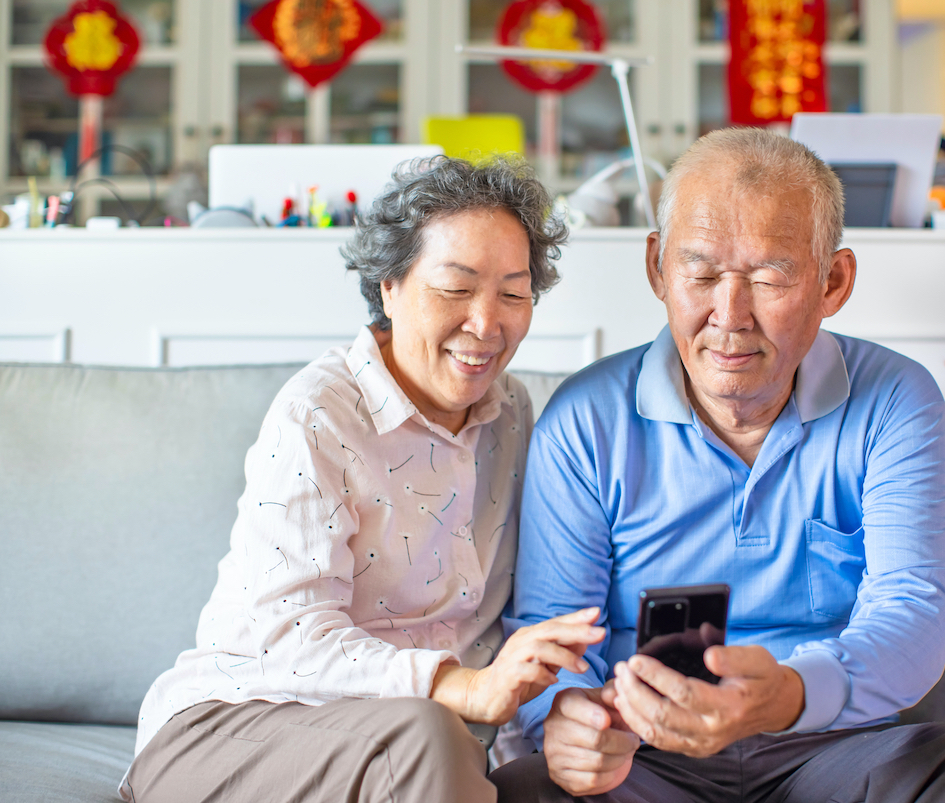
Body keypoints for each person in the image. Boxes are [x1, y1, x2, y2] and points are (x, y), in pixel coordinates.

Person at [490, 129, 945, 802]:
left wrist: (791, 694)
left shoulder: (895, 401)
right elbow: (552, 631)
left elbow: (911, 609)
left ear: (832, 281)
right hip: (644, 761)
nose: (729, 316)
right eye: (701, 274)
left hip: (835, 746)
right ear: (657, 269)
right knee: (523, 789)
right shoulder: (587, 418)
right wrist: (569, 718)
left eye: (770, 276)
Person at [121, 156, 605, 803]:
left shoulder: (512, 412)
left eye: (513, 293)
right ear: (389, 286)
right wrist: (457, 685)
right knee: (428, 739)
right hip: (239, 722)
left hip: (428, 748)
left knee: (565, 779)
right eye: (456, 288)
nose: (487, 323)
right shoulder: (319, 413)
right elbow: (288, 635)